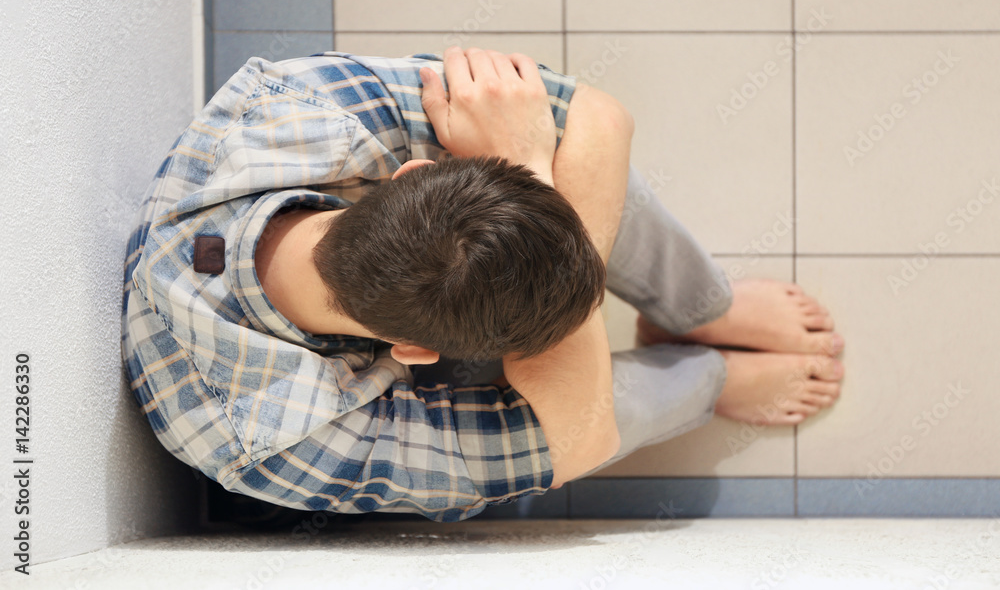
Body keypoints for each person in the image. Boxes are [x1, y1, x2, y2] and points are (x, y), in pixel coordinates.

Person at [120, 46, 845, 523]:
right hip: (321, 400)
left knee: (561, 191)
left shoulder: (298, 105)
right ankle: (708, 373)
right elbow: (582, 441)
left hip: (407, 302)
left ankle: (702, 307)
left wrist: (534, 174)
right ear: (414, 350)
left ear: (415, 176)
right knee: (570, 206)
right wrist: (528, 163)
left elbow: (599, 117)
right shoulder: (270, 442)